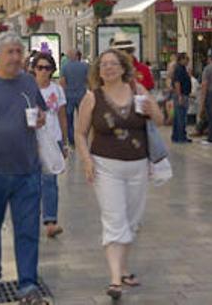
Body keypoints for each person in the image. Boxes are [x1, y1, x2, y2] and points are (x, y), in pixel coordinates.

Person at [75, 49, 164, 300]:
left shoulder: (139, 91)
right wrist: (86, 160)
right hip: (106, 166)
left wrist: (151, 111)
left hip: (137, 165)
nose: (108, 68)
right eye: (103, 65)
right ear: (98, 70)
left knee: (132, 220)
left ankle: (123, 268)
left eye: (113, 64)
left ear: (124, 68)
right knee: (115, 218)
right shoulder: (92, 98)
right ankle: (115, 279)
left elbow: (161, 119)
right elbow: (80, 133)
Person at [0, 32, 48, 304]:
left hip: (27, 171)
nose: (16, 57)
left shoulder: (29, 83)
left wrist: (41, 117)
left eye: (19, 52)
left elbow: (40, 111)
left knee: (28, 230)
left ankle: (28, 285)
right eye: (10, 52)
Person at [32, 52, 68, 238]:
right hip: (31, 140)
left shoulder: (57, 90)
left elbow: (63, 115)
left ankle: (51, 221)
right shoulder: (28, 89)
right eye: (40, 67)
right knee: (31, 182)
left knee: (50, 181)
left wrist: (65, 142)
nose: (43, 71)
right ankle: (31, 217)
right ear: (34, 69)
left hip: (53, 139)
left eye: (47, 68)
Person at [59, 48, 89, 147]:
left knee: (69, 119)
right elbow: (88, 80)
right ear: (77, 56)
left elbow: (62, 82)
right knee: (83, 118)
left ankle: (72, 141)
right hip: (82, 96)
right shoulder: (85, 66)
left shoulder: (65, 67)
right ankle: (83, 138)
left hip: (69, 96)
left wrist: (63, 93)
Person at [170, 52, 192, 143]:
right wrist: (179, 96)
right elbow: (177, 83)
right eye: (186, 59)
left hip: (182, 94)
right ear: (181, 59)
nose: (188, 61)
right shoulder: (179, 69)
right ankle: (180, 136)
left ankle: (176, 136)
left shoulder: (181, 68)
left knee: (178, 116)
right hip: (181, 95)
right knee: (181, 116)